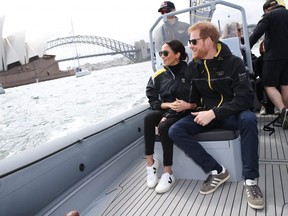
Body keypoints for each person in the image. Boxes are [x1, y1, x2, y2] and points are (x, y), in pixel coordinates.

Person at [169, 21, 264, 210]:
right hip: (206, 115)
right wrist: (186, 106)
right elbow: (194, 100)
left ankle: (251, 182)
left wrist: (213, 113)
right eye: (189, 42)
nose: (190, 46)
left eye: (193, 41)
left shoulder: (233, 63)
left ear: (209, 41)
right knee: (175, 130)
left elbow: (245, 99)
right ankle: (216, 170)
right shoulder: (194, 67)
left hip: (230, 115)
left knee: (249, 119)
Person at [145, 39, 196, 193]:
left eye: (165, 53)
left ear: (177, 55)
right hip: (169, 108)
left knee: (164, 125)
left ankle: (168, 172)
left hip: (185, 110)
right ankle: (150, 164)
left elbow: (195, 99)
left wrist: (166, 117)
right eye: (161, 53)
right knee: (148, 118)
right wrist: (167, 107)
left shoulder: (190, 72)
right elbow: (153, 100)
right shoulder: (158, 75)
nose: (162, 56)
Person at [249, 0, 288, 129]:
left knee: (268, 85)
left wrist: (245, 48)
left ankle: (283, 110)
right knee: (285, 85)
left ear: (266, 9)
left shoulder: (269, 16)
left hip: (273, 57)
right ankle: (286, 113)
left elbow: (256, 34)